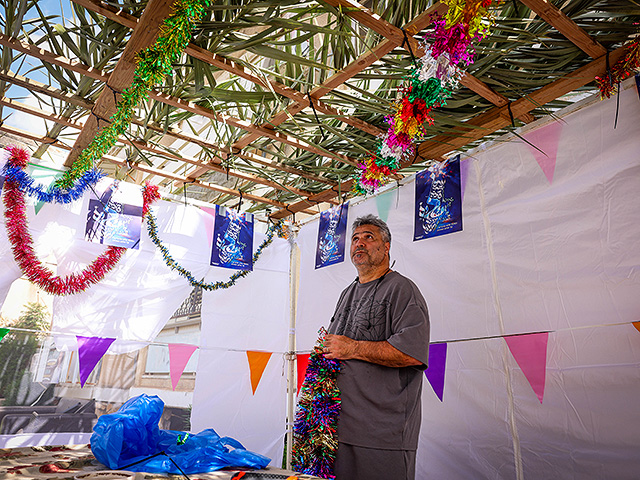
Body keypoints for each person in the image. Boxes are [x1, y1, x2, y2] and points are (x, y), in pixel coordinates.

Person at [323, 214, 430, 480]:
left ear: (386, 246)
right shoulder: (346, 293)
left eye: (369, 237)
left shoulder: (402, 290)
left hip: (382, 435)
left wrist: (353, 349)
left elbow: (411, 353)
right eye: (355, 239)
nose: (360, 244)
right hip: (339, 428)